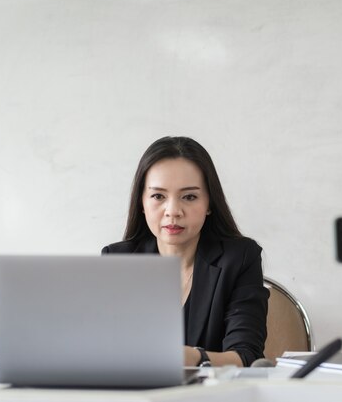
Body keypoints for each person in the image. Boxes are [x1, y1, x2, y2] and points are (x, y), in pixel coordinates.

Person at [102, 136, 269, 368]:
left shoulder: (240, 258)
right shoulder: (117, 260)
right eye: (158, 196)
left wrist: (196, 357)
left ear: (209, 203)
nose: (173, 211)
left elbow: (247, 355)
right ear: (141, 202)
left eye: (189, 196)